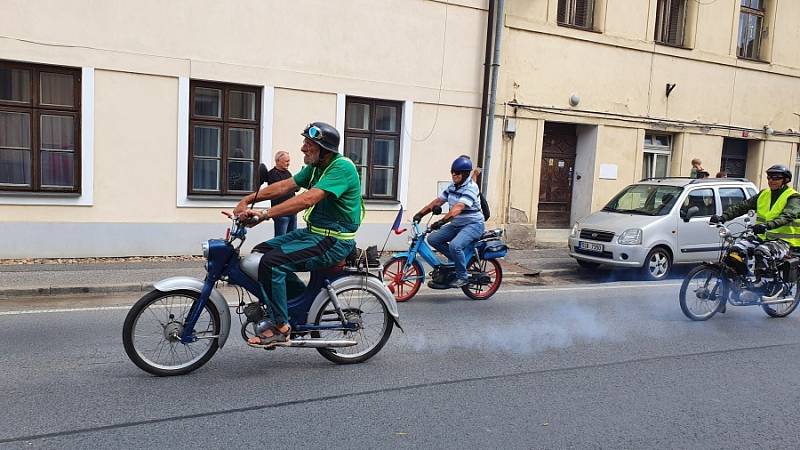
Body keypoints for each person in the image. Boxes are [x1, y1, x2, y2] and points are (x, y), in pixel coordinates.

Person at [232, 122, 363, 347]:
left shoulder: (341, 168)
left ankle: (281, 328)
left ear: (324, 150)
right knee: (260, 252)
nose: (303, 148)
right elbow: (285, 186)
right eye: (305, 143)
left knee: (272, 264)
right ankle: (297, 304)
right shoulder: (316, 168)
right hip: (315, 233)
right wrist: (247, 200)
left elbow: (306, 199)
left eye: (309, 144)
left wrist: (264, 215)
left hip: (334, 240)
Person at [412, 155, 485, 288]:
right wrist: (420, 213)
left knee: (455, 246)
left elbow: (458, 208)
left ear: (465, 174)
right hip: (457, 224)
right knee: (433, 239)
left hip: (473, 225)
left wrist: (441, 222)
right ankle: (456, 261)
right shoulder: (453, 187)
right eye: (452, 171)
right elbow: (438, 201)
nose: (453, 174)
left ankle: (463, 277)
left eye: (457, 172)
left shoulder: (471, 188)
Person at [711, 164, 800, 247]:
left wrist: (767, 226)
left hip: (785, 242)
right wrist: (723, 217)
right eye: (769, 178)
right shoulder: (764, 194)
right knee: (736, 251)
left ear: (786, 180)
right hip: (761, 238)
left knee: (761, 255)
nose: (771, 181)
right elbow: (742, 207)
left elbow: (788, 216)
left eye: (775, 178)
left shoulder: (793, 197)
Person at [267, 150, 297, 236]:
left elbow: (293, 187)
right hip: (281, 213)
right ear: (278, 161)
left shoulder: (288, 173)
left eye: (289, 161)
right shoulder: (272, 174)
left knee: (291, 238)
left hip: (292, 211)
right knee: (280, 239)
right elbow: (281, 191)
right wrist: (293, 187)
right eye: (286, 161)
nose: (288, 163)